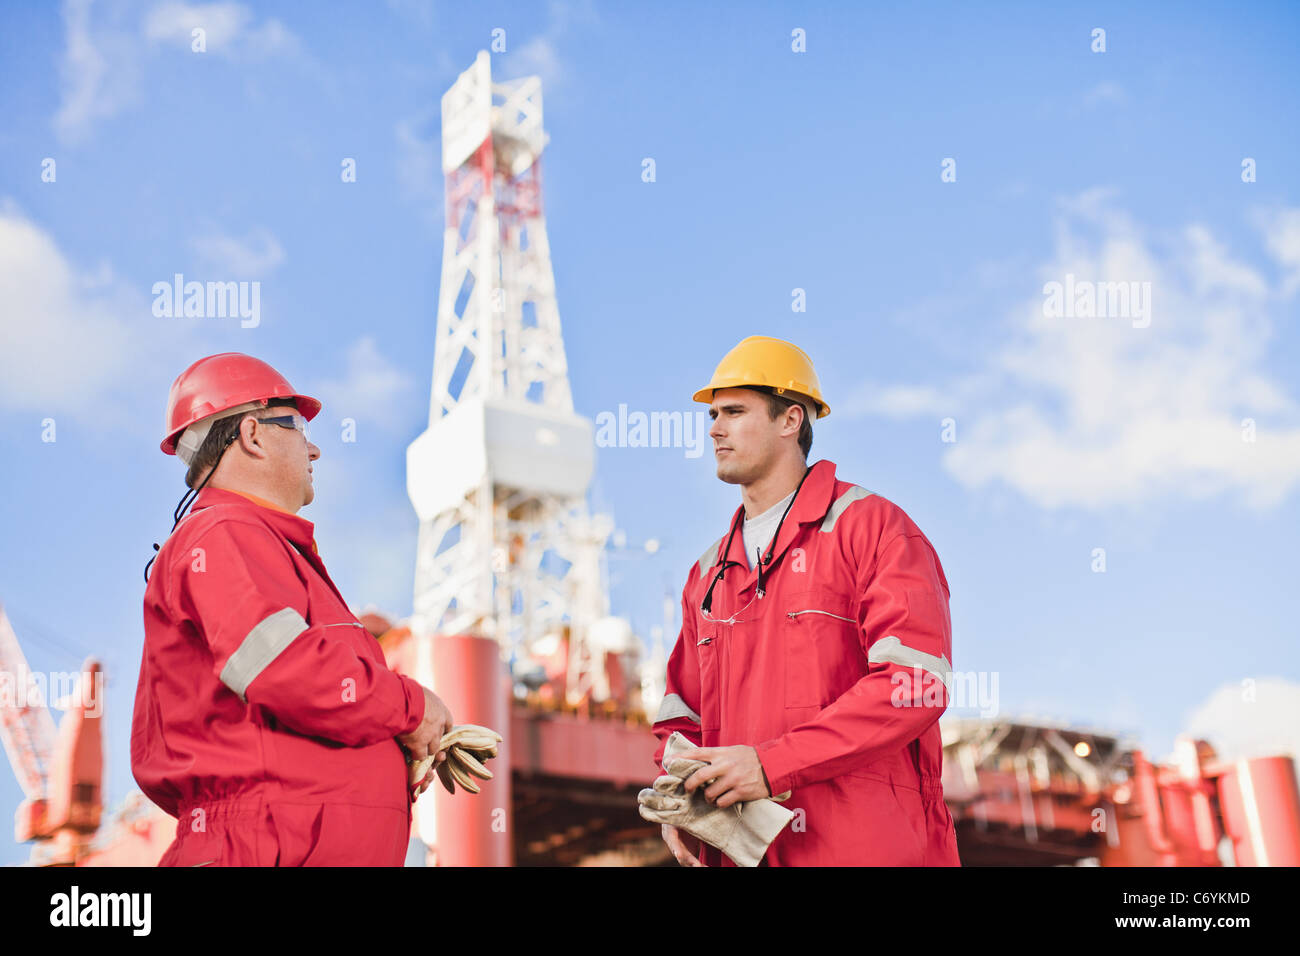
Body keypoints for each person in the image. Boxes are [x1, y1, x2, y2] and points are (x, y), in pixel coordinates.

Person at [131, 352, 454, 866]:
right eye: (299, 429)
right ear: (253, 435)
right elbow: (282, 669)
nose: (316, 449)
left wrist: (396, 744)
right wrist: (413, 708)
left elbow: (297, 727)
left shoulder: (260, 549)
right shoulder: (223, 535)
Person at [651, 336, 961, 866]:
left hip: (865, 850)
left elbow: (915, 685)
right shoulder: (706, 575)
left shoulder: (873, 529)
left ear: (790, 420)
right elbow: (682, 715)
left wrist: (770, 765)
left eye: (734, 412)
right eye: (713, 415)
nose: (714, 429)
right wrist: (679, 793)